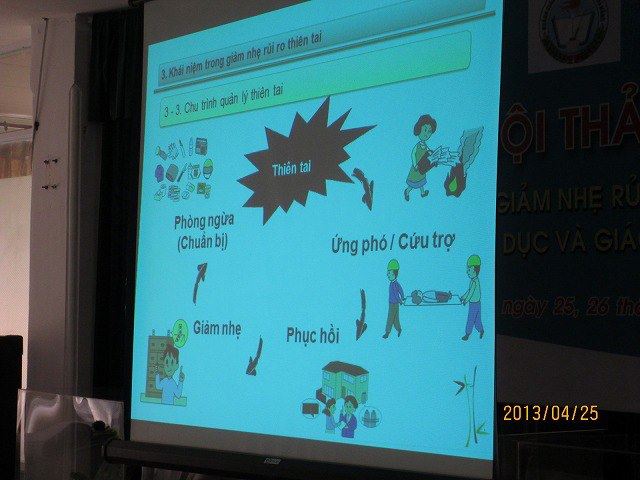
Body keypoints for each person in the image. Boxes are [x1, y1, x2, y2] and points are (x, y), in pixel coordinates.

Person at [405, 114, 439, 201]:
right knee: (412, 184)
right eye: (425, 130)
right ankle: (407, 192)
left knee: (421, 182)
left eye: (429, 131)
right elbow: (413, 154)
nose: (427, 134)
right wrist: (415, 164)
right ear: (419, 129)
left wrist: (434, 159)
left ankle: (423, 193)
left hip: (422, 167)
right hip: (416, 168)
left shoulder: (425, 145)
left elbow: (428, 152)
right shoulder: (418, 146)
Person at [461, 255, 483, 341]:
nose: (467, 272)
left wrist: (465, 300)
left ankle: (467, 334)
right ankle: (481, 330)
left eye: (469, 270)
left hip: (474, 304)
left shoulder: (474, 282)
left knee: (471, 319)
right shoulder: (472, 281)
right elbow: (469, 291)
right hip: (475, 303)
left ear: (474, 270)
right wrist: (463, 297)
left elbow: (470, 293)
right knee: (477, 320)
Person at [383, 259, 404, 339]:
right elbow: (400, 290)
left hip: (393, 304)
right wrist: (402, 297)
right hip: (394, 303)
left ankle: (387, 333)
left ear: (394, 274)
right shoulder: (395, 283)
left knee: (390, 318)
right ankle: (399, 329)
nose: (387, 275)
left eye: (389, 273)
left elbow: (396, 294)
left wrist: (400, 300)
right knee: (395, 319)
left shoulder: (393, 284)